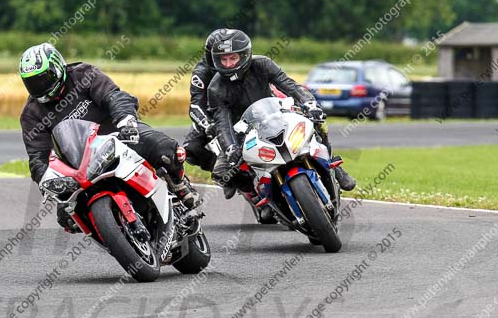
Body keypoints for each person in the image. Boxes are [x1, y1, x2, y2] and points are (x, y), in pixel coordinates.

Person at [19, 43, 201, 231]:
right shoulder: (31, 114)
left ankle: (178, 183)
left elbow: (114, 96)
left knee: (163, 149)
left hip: (120, 135)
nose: (40, 86)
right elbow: (37, 158)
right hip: (80, 165)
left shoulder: (83, 74)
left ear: (57, 67)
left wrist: (126, 121)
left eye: (43, 78)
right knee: (67, 217)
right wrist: (46, 180)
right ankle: (116, 234)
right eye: (31, 82)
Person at [206, 29, 357, 198]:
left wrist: (309, 103)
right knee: (221, 173)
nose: (228, 64)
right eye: (223, 59)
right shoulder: (215, 88)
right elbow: (222, 123)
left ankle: (332, 164)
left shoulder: (262, 64)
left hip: (273, 113)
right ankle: (255, 193)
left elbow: (290, 85)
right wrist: (230, 147)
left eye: (233, 58)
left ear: (244, 55)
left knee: (315, 121)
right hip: (242, 130)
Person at [180, 29, 225, 172]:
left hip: (244, 109)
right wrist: (208, 125)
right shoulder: (201, 73)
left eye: (231, 56)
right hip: (214, 115)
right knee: (191, 149)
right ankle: (226, 175)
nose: (226, 61)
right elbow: (195, 106)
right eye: (220, 56)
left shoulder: (251, 65)